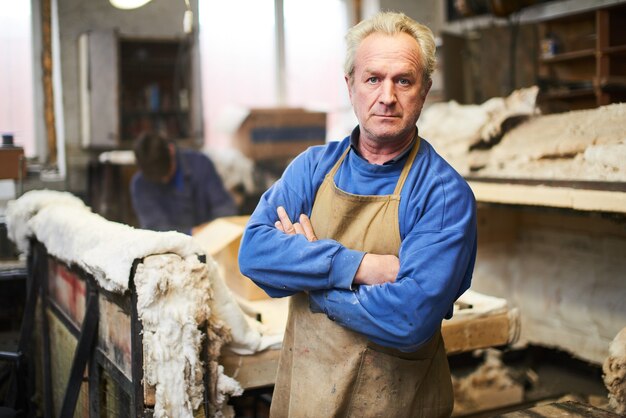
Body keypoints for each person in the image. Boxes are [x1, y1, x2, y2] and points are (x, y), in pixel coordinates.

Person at [239, 11, 477, 417]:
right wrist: (360, 266)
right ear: (350, 85)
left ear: (425, 91)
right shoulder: (312, 168)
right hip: (308, 398)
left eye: (403, 80)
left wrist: (309, 279)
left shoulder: (442, 194)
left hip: (395, 405)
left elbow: (408, 317)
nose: (387, 96)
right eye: (373, 79)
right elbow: (255, 253)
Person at [130, 131, 237, 234]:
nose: (164, 180)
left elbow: (224, 207)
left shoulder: (201, 164)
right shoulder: (140, 185)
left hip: (210, 239)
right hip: (170, 247)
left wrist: (212, 229)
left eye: (167, 173)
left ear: (171, 150)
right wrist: (191, 233)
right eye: (158, 179)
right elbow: (155, 228)